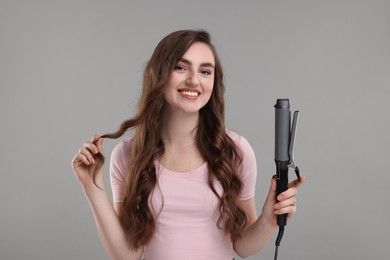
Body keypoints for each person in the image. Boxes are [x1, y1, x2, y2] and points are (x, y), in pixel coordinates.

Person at [71, 29, 304, 260]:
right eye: (181, 68)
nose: (193, 80)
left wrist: (267, 220)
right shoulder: (128, 154)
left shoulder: (236, 150)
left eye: (205, 71)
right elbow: (126, 254)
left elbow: (243, 246)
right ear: (159, 74)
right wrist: (93, 187)